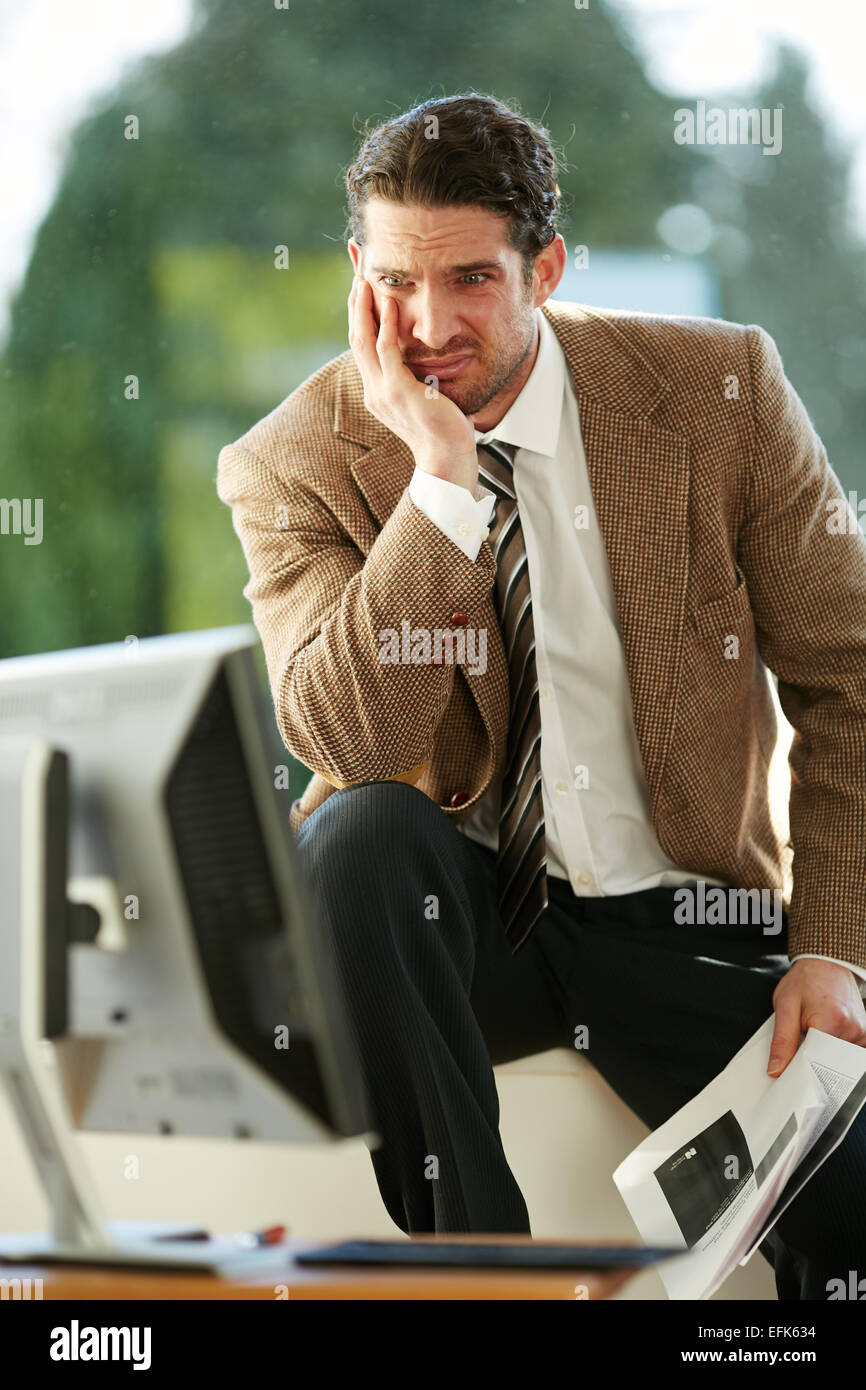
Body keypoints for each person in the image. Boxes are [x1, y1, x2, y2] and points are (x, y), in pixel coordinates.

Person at [216, 92, 866, 1299]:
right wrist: (441, 483)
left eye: (468, 279)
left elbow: (849, 677)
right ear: (358, 272)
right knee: (360, 827)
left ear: (544, 268)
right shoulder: (291, 462)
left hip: (676, 912)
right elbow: (351, 738)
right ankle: (480, 1280)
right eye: (396, 282)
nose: (425, 324)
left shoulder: (719, 392)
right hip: (454, 929)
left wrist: (831, 947)